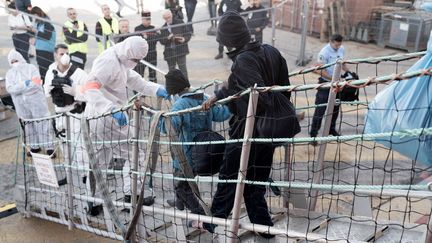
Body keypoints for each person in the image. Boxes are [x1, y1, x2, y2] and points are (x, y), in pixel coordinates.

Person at [201, 11, 291, 238]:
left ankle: (211, 224)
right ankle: (264, 228)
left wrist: (234, 103)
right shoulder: (270, 51)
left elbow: (256, 95)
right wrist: (221, 93)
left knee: (229, 178)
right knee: (256, 182)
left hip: (246, 131)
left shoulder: (242, 61)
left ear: (228, 41)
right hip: (270, 131)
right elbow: (283, 89)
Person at [81, 36, 169, 209]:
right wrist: (110, 108)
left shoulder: (120, 59)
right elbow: (89, 88)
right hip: (108, 116)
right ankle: (132, 193)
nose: (136, 62)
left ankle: (93, 199)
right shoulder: (108, 61)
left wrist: (156, 89)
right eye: (135, 59)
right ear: (129, 53)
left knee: (99, 160)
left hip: (99, 116)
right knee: (135, 153)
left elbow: (136, 81)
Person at [162, 69, 231, 214]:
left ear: (173, 91)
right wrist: (232, 103)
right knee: (187, 183)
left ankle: (200, 215)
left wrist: (156, 119)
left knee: (181, 186)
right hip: (203, 152)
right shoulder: (203, 98)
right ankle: (179, 203)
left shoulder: (180, 105)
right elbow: (221, 114)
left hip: (185, 156)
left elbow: (169, 128)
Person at [44, 44, 92, 207]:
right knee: (65, 149)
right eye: (61, 53)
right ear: (55, 55)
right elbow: (46, 91)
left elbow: (89, 93)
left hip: (76, 115)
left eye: (67, 53)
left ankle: (88, 183)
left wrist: (75, 92)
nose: (65, 56)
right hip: (60, 116)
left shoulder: (78, 73)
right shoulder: (51, 71)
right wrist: (51, 88)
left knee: (81, 150)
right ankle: (69, 175)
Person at [5, 49, 54, 157]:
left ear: (20, 58)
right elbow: (10, 89)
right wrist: (25, 84)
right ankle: (34, 146)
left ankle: (49, 147)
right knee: (28, 124)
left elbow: (36, 84)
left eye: (16, 60)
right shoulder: (10, 74)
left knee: (42, 122)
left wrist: (19, 88)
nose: (14, 63)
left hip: (36, 103)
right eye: (12, 62)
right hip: (21, 105)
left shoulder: (31, 68)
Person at [310, 34, 350, 145]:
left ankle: (331, 129)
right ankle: (313, 135)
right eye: (336, 45)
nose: (338, 47)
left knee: (335, 108)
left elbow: (342, 63)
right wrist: (333, 78)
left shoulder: (341, 49)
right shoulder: (324, 53)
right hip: (325, 84)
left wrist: (348, 73)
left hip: (337, 84)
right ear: (331, 41)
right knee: (320, 110)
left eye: (339, 44)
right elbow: (320, 70)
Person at [159, 10, 192, 79]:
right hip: (169, 53)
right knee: (172, 72)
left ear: (171, 15)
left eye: (169, 17)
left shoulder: (179, 22)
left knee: (183, 70)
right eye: (166, 18)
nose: (168, 19)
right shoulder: (163, 28)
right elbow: (161, 41)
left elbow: (188, 34)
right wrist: (168, 38)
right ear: (163, 18)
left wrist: (184, 39)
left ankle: (186, 86)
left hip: (180, 51)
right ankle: (174, 87)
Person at [30, 6, 56, 82]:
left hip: (46, 51)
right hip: (39, 50)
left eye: (34, 15)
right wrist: (35, 41)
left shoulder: (47, 23)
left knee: (48, 71)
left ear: (38, 14)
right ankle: (45, 88)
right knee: (42, 71)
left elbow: (47, 36)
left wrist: (36, 31)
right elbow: (40, 36)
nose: (34, 17)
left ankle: (49, 89)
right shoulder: (39, 24)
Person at [134, 11, 159, 82]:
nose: (149, 21)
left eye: (149, 19)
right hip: (142, 56)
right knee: (140, 74)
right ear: (142, 19)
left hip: (152, 55)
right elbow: (139, 42)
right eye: (147, 19)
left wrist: (146, 37)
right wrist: (148, 38)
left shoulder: (153, 28)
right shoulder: (138, 29)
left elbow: (156, 40)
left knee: (153, 74)